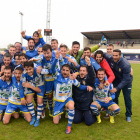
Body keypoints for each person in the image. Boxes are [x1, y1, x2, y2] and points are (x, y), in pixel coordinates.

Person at [51, 51, 93, 134]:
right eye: (63, 70)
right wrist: (56, 58)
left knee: (71, 105)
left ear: (70, 71)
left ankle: (69, 126)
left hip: (67, 99)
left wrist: (87, 87)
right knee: (55, 122)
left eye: (67, 70)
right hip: (58, 101)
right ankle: (60, 113)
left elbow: (80, 86)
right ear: (61, 70)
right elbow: (52, 69)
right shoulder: (57, 76)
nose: (65, 72)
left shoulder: (72, 79)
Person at [35, 44, 64, 118]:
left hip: (57, 79)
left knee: (58, 94)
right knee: (48, 95)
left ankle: (56, 109)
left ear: (51, 52)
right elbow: (36, 66)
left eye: (48, 53)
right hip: (48, 80)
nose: (46, 55)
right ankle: (47, 108)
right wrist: (40, 68)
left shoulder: (57, 55)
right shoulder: (41, 57)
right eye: (45, 53)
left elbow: (63, 63)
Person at [104, 49, 133, 122]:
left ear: (120, 56)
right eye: (113, 55)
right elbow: (104, 54)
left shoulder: (126, 65)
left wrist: (117, 88)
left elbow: (125, 80)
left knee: (127, 99)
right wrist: (93, 55)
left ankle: (128, 115)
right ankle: (115, 111)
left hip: (127, 82)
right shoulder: (112, 59)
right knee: (115, 96)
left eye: (116, 55)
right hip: (117, 81)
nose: (114, 57)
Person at [21, 61, 46, 127]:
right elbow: (22, 85)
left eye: (30, 69)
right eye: (26, 69)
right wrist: (22, 97)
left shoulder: (38, 70)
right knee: (28, 100)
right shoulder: (23, 73)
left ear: (33, 67)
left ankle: (38, 118)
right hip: (30, 84)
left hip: (40, 85)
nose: (28, 71)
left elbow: (50, 71)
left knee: (40, 101)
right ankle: (34, 116)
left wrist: (42, 69)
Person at [73, 56, 97, 125]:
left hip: (87, 106)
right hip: (78, 106)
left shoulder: (89, 80)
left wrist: (89, 64)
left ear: (87, 72)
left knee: (89, 123)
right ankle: (83, 116)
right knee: (76, 121)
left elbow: (93, 76)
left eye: (84, 71)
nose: (82, 72)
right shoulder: (76, 79)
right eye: (80, 71)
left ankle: (93, 115)